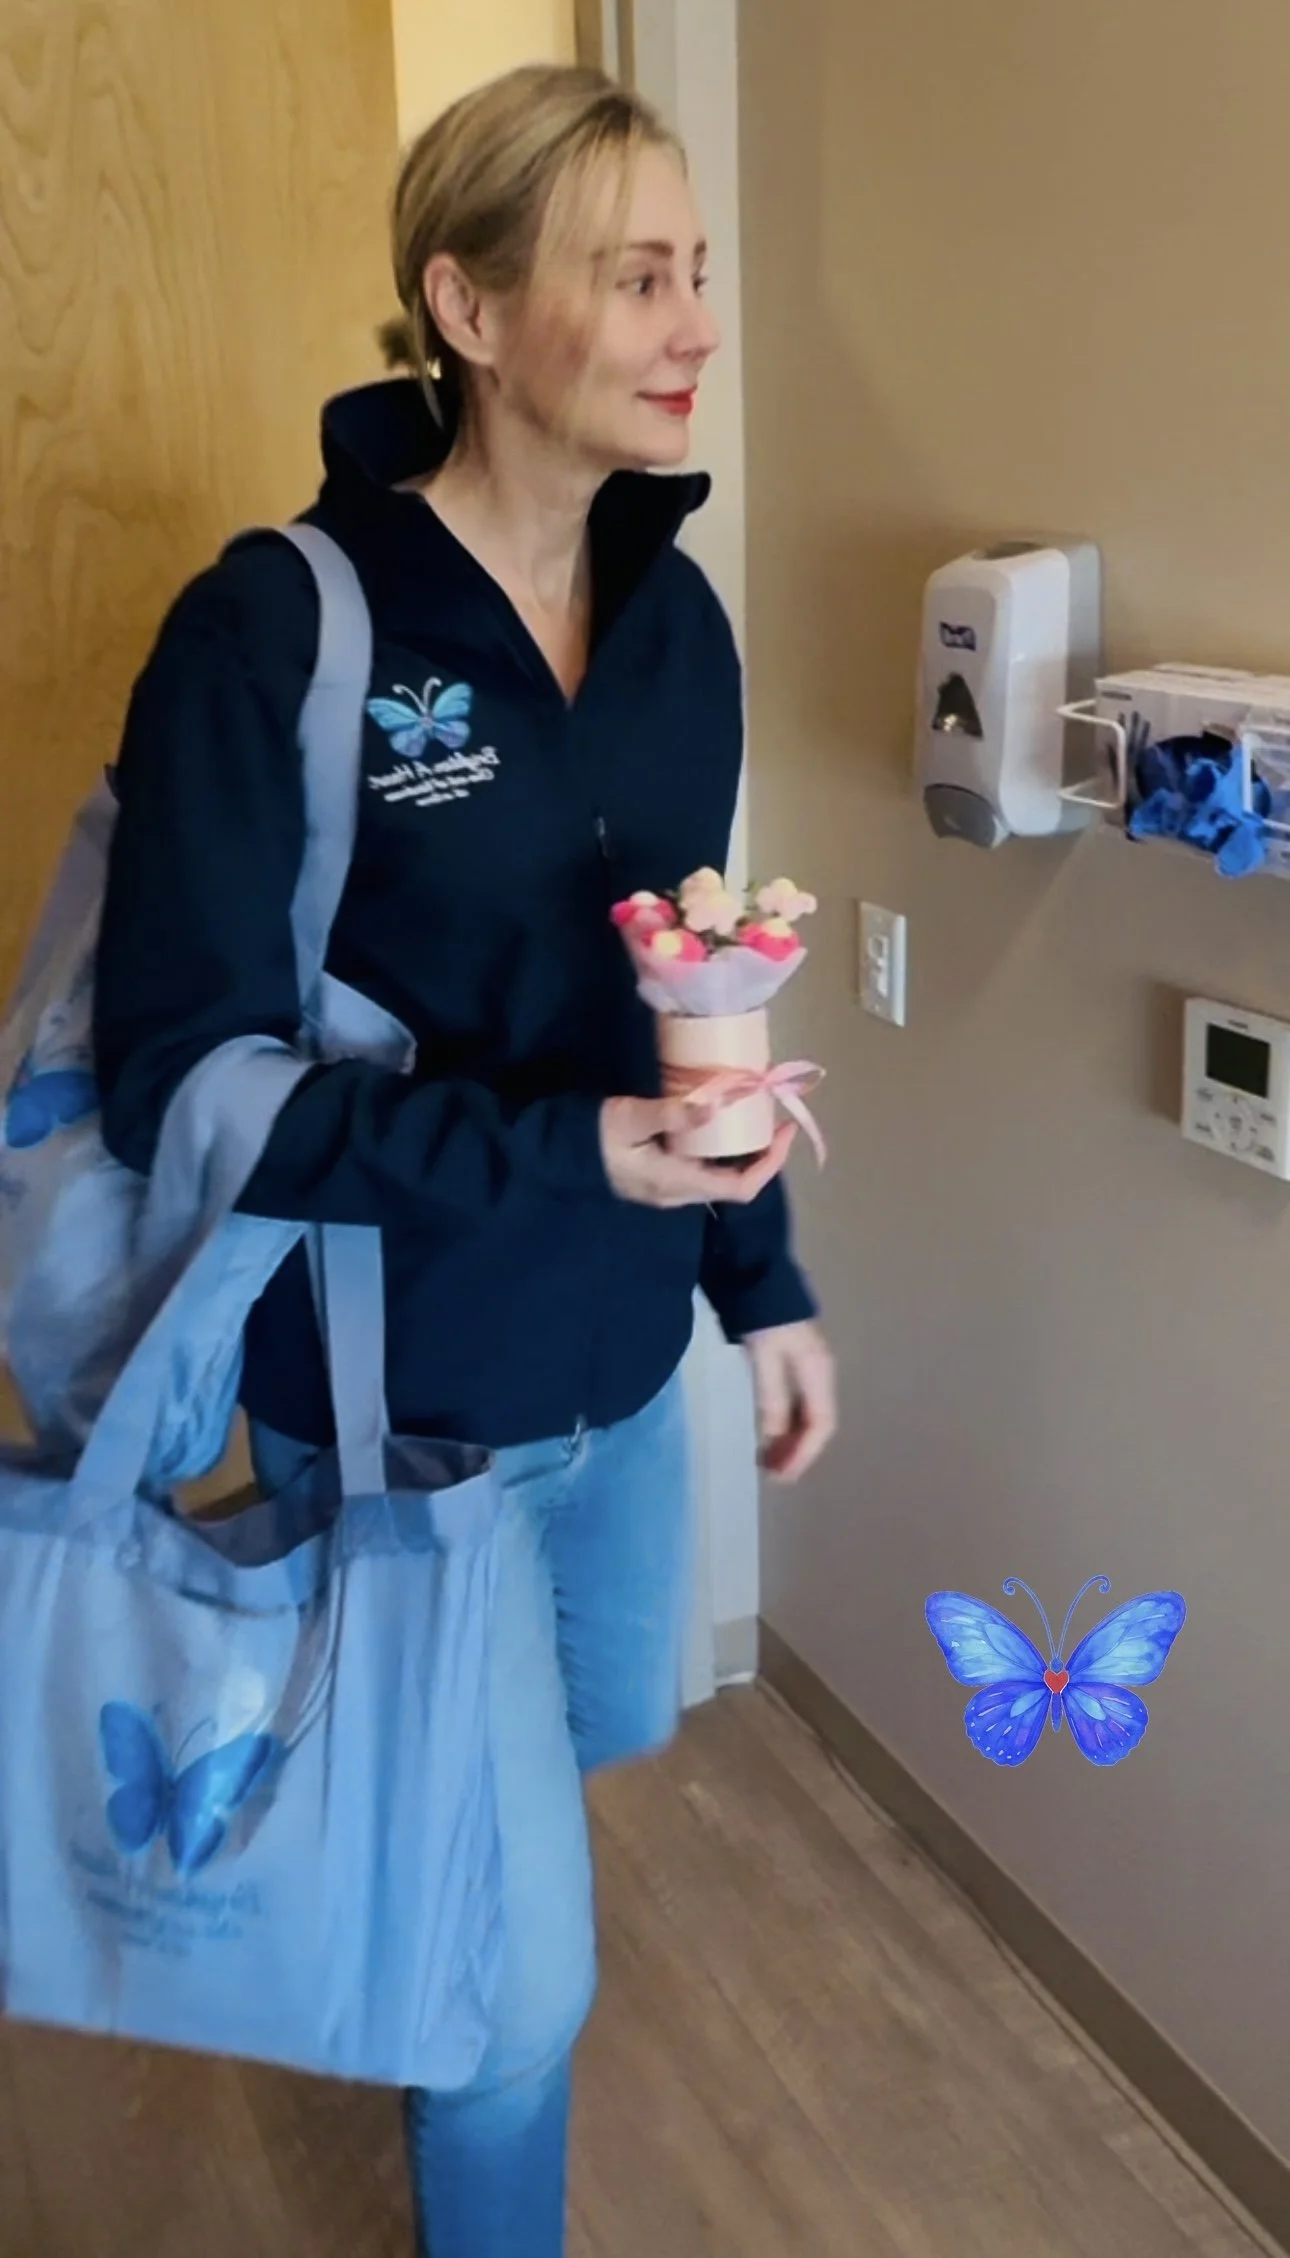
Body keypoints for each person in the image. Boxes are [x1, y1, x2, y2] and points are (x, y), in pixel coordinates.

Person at [92, 61, 836, 2258]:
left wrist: (759, 1274)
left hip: (616, 1387)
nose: (697, 318)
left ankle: (401, 1855)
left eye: (701, 269)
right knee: (517, 1989)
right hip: (402, 1405)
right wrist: (561, 1158)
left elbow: (688, 986)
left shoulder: (678, 625)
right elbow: (184, 1081)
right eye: (635, 275)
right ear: (472, 308)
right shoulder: (284, 629)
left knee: (593, 1737)